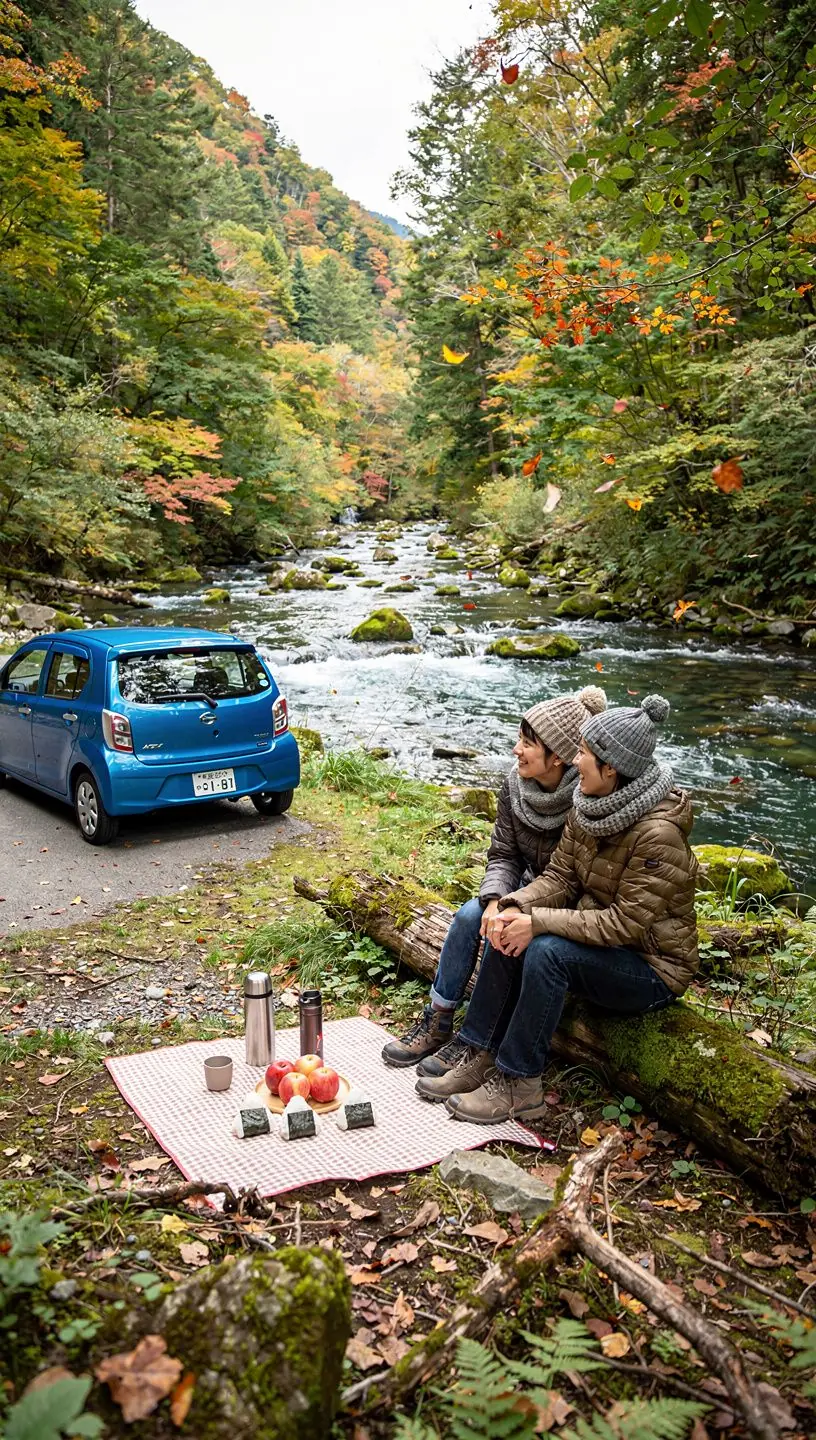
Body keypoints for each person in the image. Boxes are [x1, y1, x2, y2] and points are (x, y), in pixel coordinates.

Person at [415, 694, 698, 1123]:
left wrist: (538, 922)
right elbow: (560, 879)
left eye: (582, 753)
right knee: (512, 925)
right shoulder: (591, 807)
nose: (576, 761)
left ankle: (519, 1082)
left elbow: (624, 923)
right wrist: (512, 906)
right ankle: (482, 1050)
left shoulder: (657, 833)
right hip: (605, 946)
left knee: (546, 949)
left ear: (611, 767)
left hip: (650, 967)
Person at [381, 686, 607, 1069]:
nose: (516, 750)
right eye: (519, 739)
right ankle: (438, 1020)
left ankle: (478, 1041)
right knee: (470, 915)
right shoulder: (514, 787)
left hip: (564, 904)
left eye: (528, 743)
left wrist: (511, 907)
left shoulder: (584, 797)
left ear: (558, 757)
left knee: (502, 926)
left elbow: (571, 880)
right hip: (525, 890)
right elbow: (504, 854)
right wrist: (492, 900)